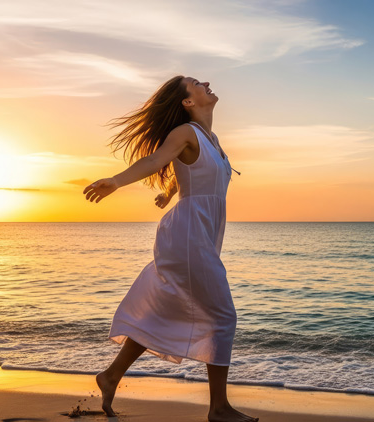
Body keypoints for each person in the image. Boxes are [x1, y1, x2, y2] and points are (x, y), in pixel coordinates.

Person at [82, 75, 256, 422]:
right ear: (188, 102)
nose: (206, 82)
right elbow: (157, 159)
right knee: (223, 316)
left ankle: (111, 375)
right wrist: (116, 181)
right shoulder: (185, 132)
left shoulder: (210, 138)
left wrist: (170, 192)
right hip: (188, 233)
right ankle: (218, 409)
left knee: (165, 308)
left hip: (203, 232)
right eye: (196, 82)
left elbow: (188, 168)